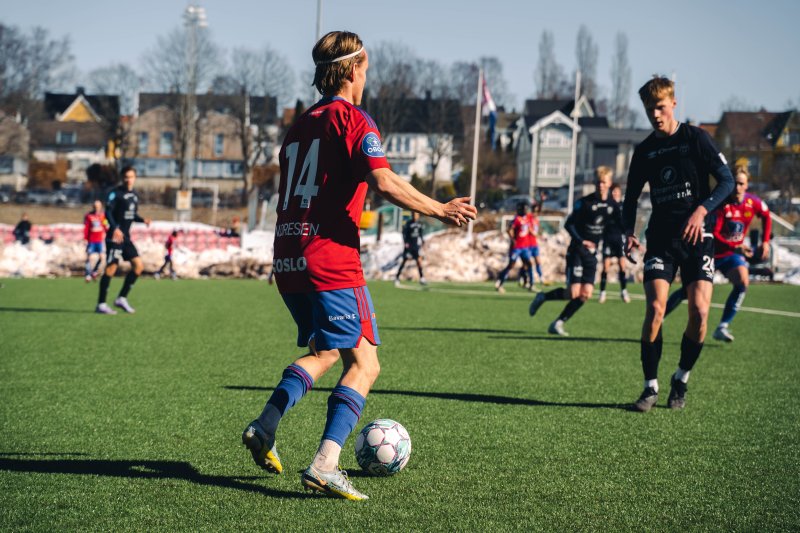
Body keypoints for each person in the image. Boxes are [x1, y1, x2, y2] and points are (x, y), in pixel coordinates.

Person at [241, 30, 476, 501]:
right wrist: (441, 209)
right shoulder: (354, 120)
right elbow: (383, 182)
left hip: (288, 257)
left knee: (327, 352)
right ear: (351, 70)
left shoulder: (300, 123)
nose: (366, 79)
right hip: (331, 261)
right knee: (366, 363)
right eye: (365, 70)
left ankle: (265, 426)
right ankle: (326, 464)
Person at [622, 76, 734, 412]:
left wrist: (701, 210)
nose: (655, 114)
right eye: (648, 109)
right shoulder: (644, 151)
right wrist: (629, 232)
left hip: (698, 239)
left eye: (659, 107)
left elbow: (727, 181)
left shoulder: (696, 138)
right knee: (656, 309)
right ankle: (649, 387)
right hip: (660, 239)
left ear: (673, 104)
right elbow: (629, 199)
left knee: (699, 314)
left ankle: (681, 378)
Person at [663, 165, 771, 342]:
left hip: (731, 255)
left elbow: (766, 216)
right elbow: (713, 233)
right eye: (734, 183)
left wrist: (765, 242)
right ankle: (660, 315)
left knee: (743, 282)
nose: (736, 187)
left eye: (741, 183)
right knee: (687, 292)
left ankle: (722, 327)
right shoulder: (719, 204)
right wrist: (734, 246)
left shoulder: (752, 203)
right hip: (710, 252)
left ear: (747, 185)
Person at [528, 166, 621, 336]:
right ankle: (543, 297)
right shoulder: (584, 203)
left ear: (609, 184)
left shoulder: (613, 205)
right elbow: (568, 224)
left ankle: (557, 323)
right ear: (594, 183)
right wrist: (581, 240)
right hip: (577, 251)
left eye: (604, 182)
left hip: (593, 255)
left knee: (585, 294)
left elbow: (616, 227)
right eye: (598, 182)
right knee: (573, 293)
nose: (601, 185)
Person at [95, 166, 151, 315]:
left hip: (126, 238)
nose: (128, 179)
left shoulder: (134, 195)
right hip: (115, 237)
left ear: (135, 178)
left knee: (138, 266)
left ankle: (121, 298)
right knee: (111, 268)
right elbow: (108, 212)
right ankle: (101, 304)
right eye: (126, 177)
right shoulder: (115, 193)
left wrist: (142, 219)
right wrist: (115, 229)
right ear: (122, 178)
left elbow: (131, 215)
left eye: (131, 176)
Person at [598, 184, 631, 303]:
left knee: (622, 266)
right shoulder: (607, 205)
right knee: (605, 267)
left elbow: (628, 222)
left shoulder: (624, 206)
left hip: (619, 239)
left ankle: (624, 291)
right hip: (607, 239)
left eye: (617, 191)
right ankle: (602, 292)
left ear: (620, 193)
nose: (615, 193)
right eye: (613, 192)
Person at [495, 202, 534, 293]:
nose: (526, 210)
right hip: (517, 247)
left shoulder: (527, 218)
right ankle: (500, 281)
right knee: (511, 265)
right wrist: (512, 239)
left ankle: (529, 283)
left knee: (528, 264)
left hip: (525, 247)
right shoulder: (517, 219)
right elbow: (509, 229)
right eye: (524, 209)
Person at [394, 211, 426, 286]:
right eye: (414, 215)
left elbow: (420, 233)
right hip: (409, 246)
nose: (415, 216)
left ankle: (422, 278)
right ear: (412, 215)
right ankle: (397, 277)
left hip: (415, 246)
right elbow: (404, 234)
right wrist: (406, 242)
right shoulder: (408, 224)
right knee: (404, 261)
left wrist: (422, 240)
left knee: (419, 261)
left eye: (416, 215)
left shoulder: (419, 224)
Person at [83, 200, 108, 282]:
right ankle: (88, 274)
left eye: (98, 206)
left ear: (100, 207)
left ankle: (94, 271)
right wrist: (85, 238)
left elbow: (105, 226)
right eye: (95, 206)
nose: (96, 208)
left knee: (101, 257)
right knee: (88, 257)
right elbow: (86, 228)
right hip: (91, 240)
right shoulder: (89, 216)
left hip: (99, 240)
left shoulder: (103, 215)